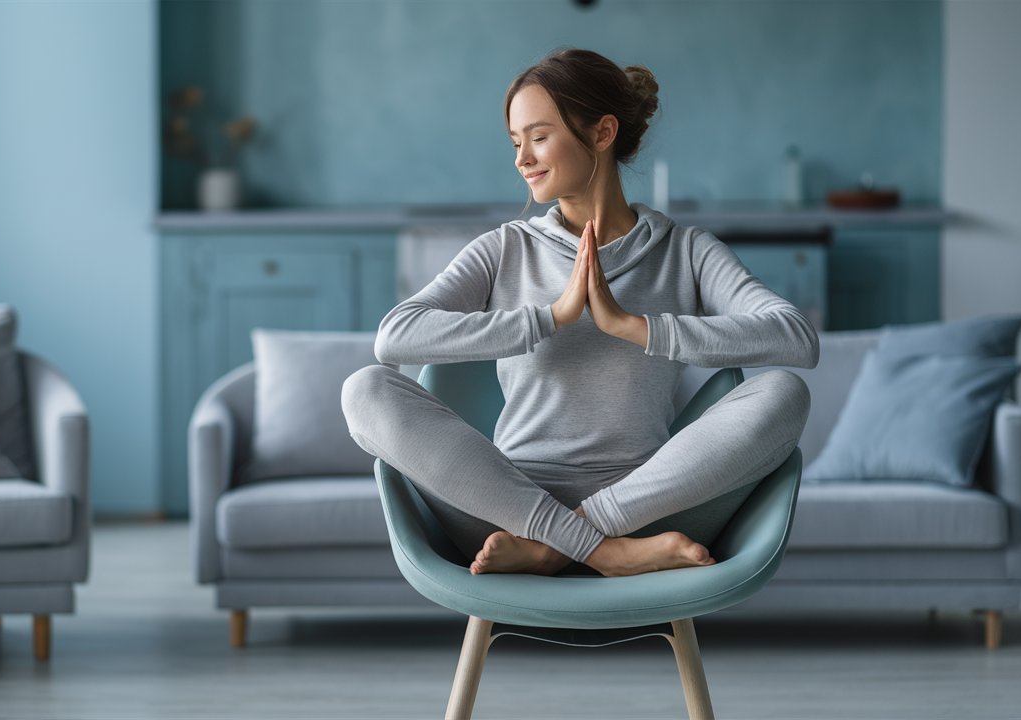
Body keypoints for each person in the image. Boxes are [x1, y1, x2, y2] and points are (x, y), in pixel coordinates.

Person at [341, 47, 817, 579]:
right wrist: (549, 318)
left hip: (644, 508)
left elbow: (796, 338)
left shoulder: (685, 251)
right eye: (516, 142)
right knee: (365, 388)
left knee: (784, 392)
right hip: (508, 511)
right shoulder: (505, 249)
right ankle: (599, 553)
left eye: (539, 137)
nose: (522, 159)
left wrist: (634, 327)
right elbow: (395, 338)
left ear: (602, 133)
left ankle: (565, 543)